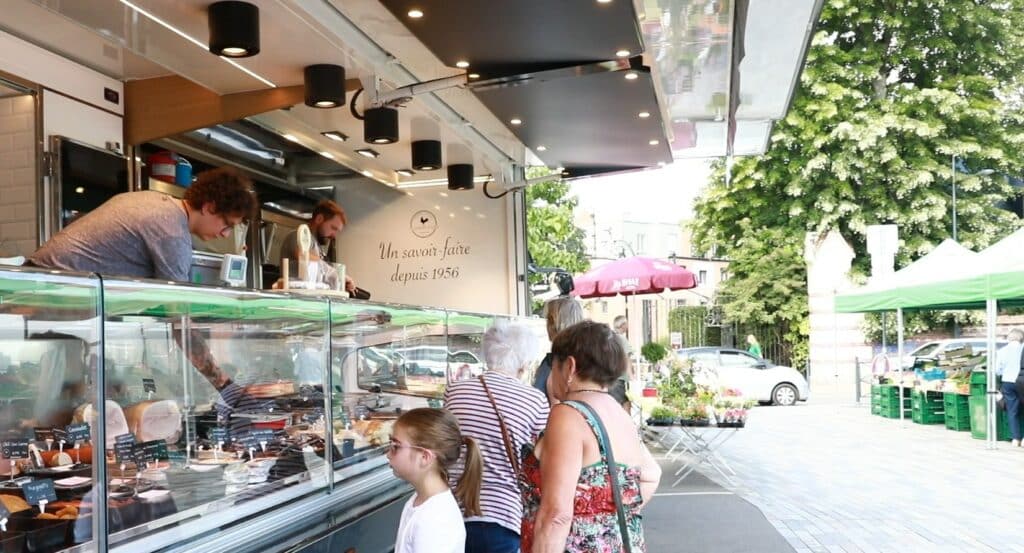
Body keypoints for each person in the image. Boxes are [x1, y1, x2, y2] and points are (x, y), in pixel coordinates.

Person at [521, 321, 661, 553]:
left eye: (552, 364)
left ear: (570, 366)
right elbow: (651, 475)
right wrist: (603, 522)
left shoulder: (568, 415)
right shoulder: (620, 414)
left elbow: (556, 516)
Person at [29, 167, 256, 281]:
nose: (225, 234)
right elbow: (177, 313)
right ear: (209, 207)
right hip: (52, 289)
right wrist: (218, 374)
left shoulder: (155, 202)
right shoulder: (172, 232)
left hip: (40, 279)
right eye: (227, 225)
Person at [445, 321, 550, 553]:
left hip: (453, 509)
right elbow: (542, 458)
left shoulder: (454, 390)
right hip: (503, 514)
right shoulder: (535, 400)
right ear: (524, 362)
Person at [388, 408, 483, 553]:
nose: (388, 454)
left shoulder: (434, 520)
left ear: (425, 457)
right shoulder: (419, 501)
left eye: (395, 446)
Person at [278, 199, 355, 292]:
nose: (334, 235)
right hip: (296, 300)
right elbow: (304, 257)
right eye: (333, 228)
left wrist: (339, 282)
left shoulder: (317, 245)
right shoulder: (297, 236)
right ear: (319, 219)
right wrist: (337, 275)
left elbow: (319, 274)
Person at [533, 297, 585, 405]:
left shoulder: (558, 363)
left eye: (548, 319)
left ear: (554, 323)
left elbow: (556, 408)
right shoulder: (584, 359)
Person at [996, 329, 1024, 446]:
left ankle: (1015, 438)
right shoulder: (1022, 349)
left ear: (1009, 338)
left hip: (1007, 382)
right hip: (1022, 381)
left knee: (1012, 410)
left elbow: (998, 370)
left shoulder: (1002, 351)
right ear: (1021, 338)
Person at [611, 315, 634, 410]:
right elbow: (626, 358)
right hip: (618, 379)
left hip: (611, 378)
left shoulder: (610, 338)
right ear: (623, 325)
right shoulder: (621, 339)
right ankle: (626, 424)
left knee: (622, 403)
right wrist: (631, 376)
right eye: (627, 323)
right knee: (625, 404)